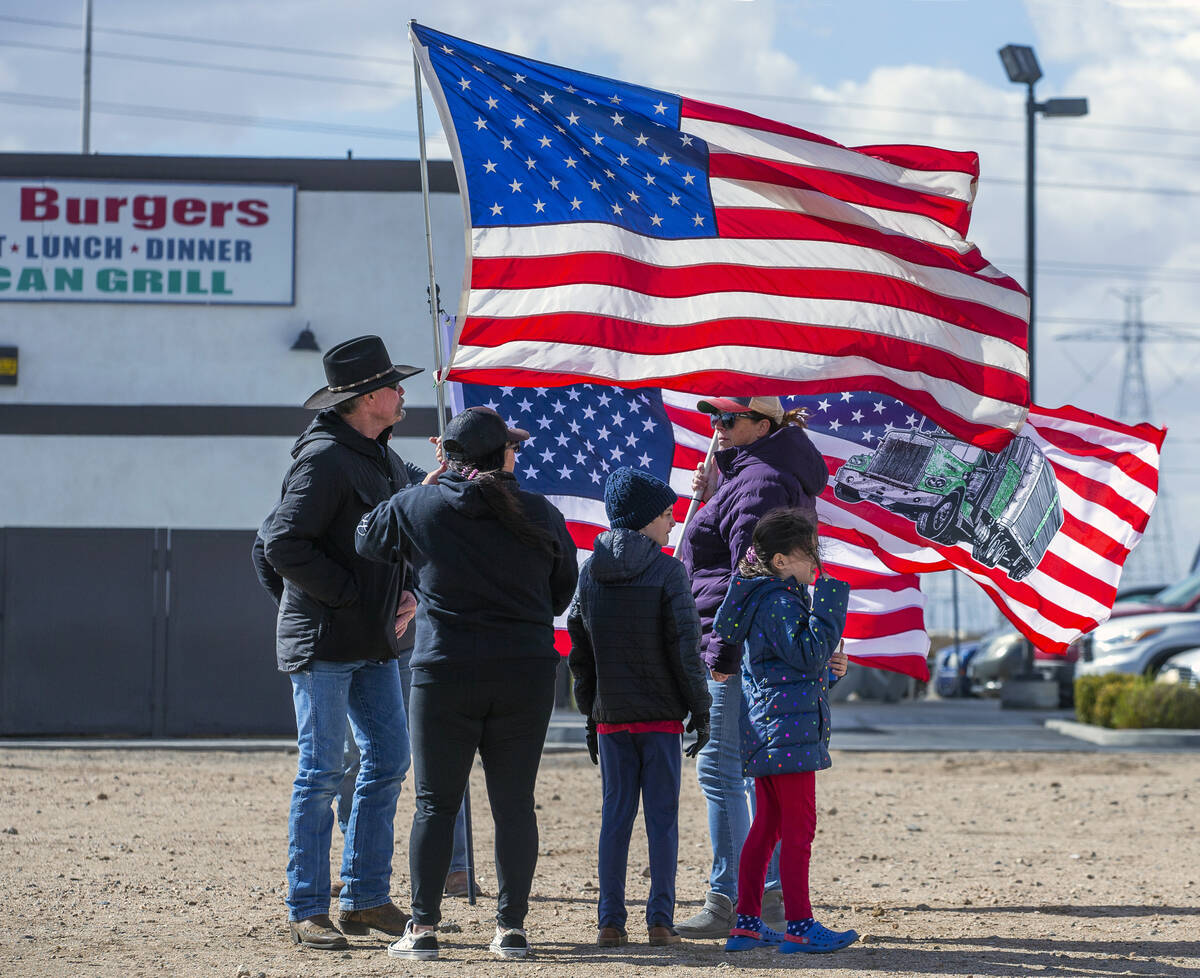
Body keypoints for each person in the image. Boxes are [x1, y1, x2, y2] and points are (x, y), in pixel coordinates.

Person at [355, 405, 578, 961]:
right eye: (512, 447)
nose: (516, 454)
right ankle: (511, 928)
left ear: (449, 460)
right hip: (524, 672)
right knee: (515, 804)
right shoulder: (539, 511)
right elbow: (560, 593)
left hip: (444, 672)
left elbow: (366, 538)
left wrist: (424, 487)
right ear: (500, 456)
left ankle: (423, 929)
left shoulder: (419, 505)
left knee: (435, 804)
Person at [259, 335, 421, 949]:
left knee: (389, 761)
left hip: (372, 642)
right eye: (393, 385)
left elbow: (399, 534)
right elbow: (281, 544)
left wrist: (407, 590)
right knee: (322, 772)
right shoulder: (324, 458)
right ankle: (307, 907)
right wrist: (352, 597)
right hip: (325, 644)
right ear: (367, 398)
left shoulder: (383, 457)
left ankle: (364, 899)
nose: (401, 392)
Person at [674, 395, 828, 939]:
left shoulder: (760, 480)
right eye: (714, 418)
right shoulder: (757, 474)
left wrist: (721, 651)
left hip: (737, 645)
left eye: (729, 419)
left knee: (721, 769)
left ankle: (732, 898)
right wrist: (717, 493)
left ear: (762, 426)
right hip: (754, 644)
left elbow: (752, 573)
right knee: (757, 775)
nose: (717, 427)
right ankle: (767, 898)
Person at [567, 468, 712, 949]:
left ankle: (610, 922)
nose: (672, 522)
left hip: (611, 718)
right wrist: (701, 711)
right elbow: (686, 651)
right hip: (661, 718)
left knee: (615, 818)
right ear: (646, 519)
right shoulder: (669, 572)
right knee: (661, 821)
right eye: (667, 514)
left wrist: (590, 712)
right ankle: (660, 922)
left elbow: (580, 653)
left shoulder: (590, 571)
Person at [713, 508, 857, 953]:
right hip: (785, 737)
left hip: (773, 731)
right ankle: (800, 925)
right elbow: (808, 653)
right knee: (799, 828)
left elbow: (792, 671)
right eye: (808, 553)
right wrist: (830, 602)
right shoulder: (779, 601)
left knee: (768, 826)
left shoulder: (769, 599)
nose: (816, 562)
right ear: (779, 560)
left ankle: (747, 924)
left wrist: (831, 670)